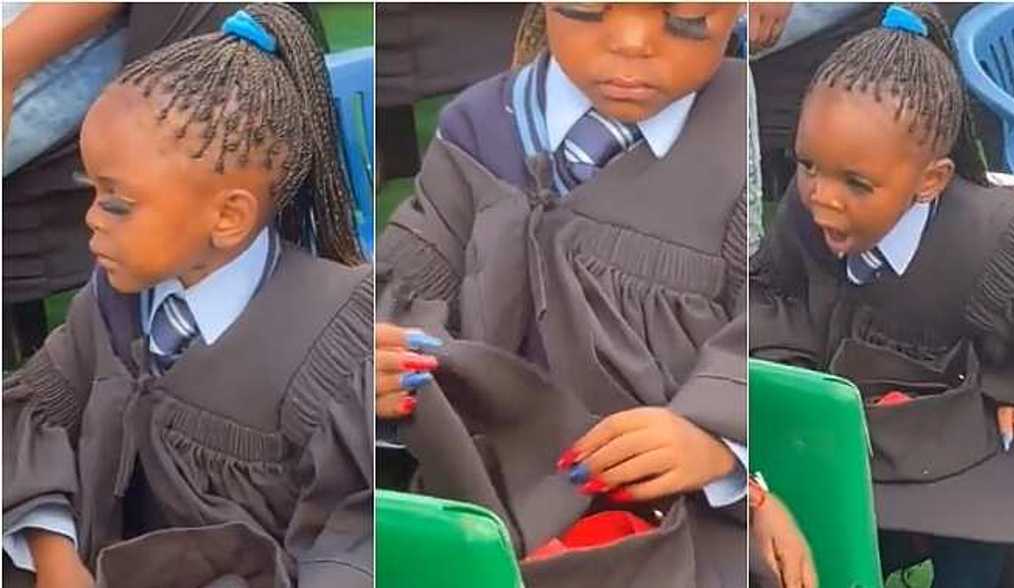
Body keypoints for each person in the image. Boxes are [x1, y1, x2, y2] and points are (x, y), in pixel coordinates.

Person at [373, 3, 776, 586]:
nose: (633, 42)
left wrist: (718, 448)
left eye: (684, 17)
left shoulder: (739, 125)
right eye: (589, 7)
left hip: (671, 516)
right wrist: (382, 373)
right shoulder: (477, 128)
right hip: (481, 502)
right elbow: (400, 298)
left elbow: (765, 321)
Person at [750, 4, 1014, 587]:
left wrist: (1013, 388)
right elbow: (772, 310)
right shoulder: (808, 217)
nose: (822, 197)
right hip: (882, 457)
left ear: (932, 180)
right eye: (807, 165)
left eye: (856, 183)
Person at [2, 5, 372, 587]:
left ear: (228, 217)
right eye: (91, 190)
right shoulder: (112, 305)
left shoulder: (336, 342)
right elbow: (32, 419)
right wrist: (53, 555)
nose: (91, 220)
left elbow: (352, 537)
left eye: (117, 201)